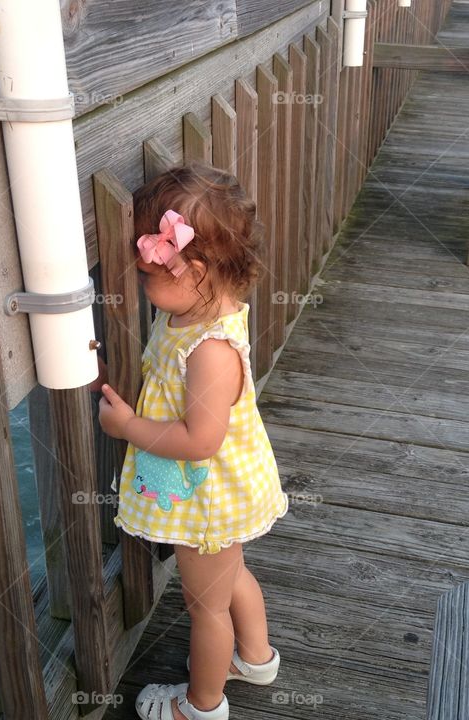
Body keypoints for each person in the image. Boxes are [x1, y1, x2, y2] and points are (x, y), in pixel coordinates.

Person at [92, 162, 289, 720]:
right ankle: (255, 658)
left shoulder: (210, 351)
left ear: (192, 268)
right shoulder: (202, 313)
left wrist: (128, 427)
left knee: (206, 609)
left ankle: (201, 705)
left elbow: (200, 439)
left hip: (207, 496)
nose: (143, 284)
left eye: (150, 273)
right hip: (222, 492)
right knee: (232, 577)